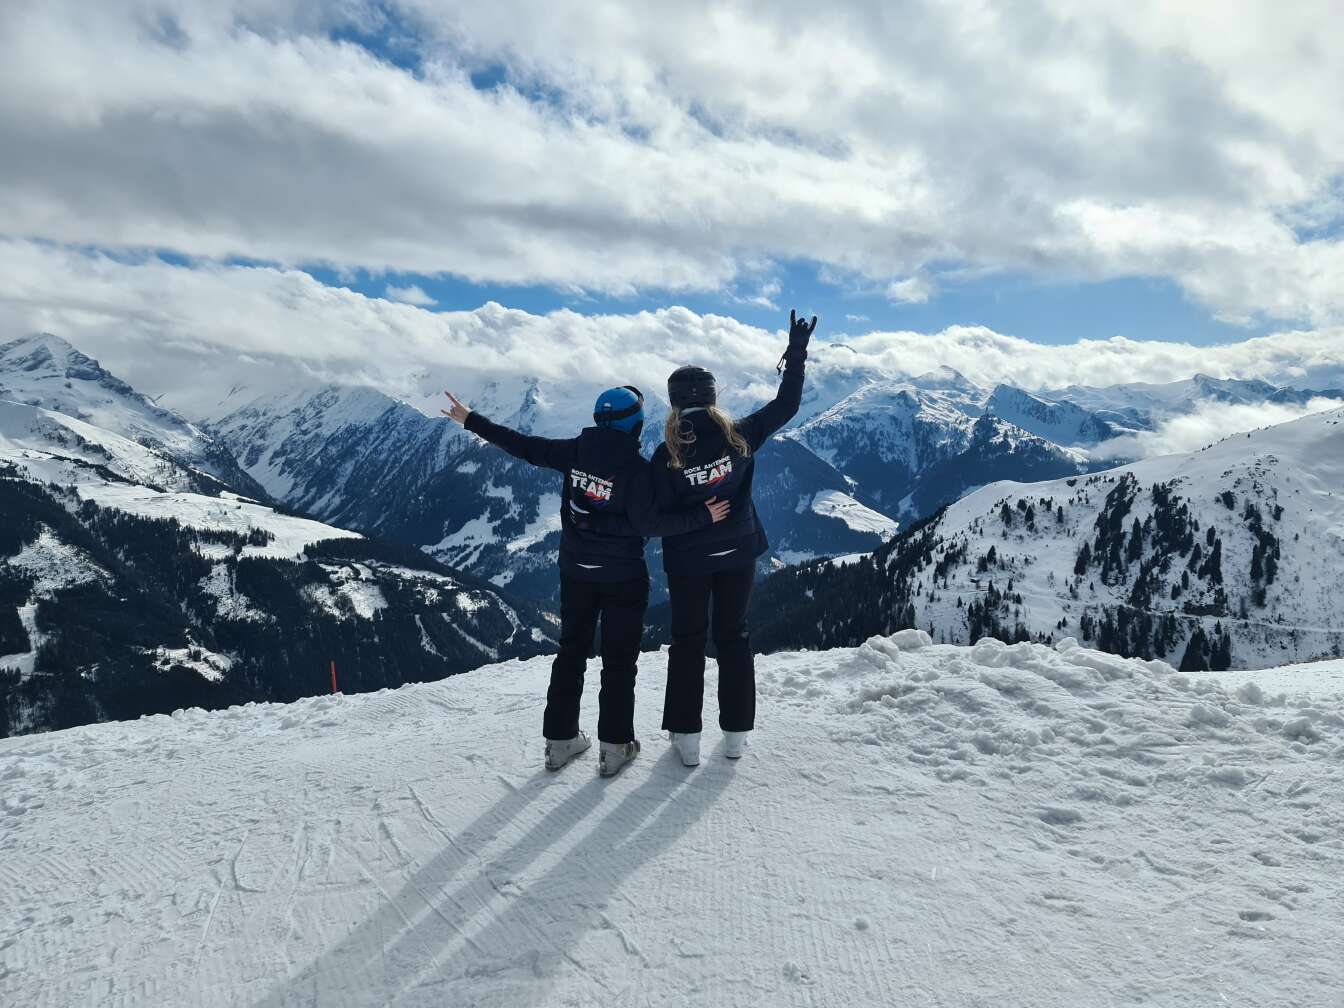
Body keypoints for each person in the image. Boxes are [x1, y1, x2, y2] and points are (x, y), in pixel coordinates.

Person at [441, 384, 730, 778]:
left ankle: (559, 744)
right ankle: (615, 748)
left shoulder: (573, 452)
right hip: (624, 578)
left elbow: (522, 445)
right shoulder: (639, 471)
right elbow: (650, 524)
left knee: (571, 653)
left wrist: (470, 420)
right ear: (635, 426)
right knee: (618, 662)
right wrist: (705, 517)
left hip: (576, 572)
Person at [650, 309, 816, 767]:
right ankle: (736, 737)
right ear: (712, 396)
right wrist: (797, 354)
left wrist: (696, 517)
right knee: (734, 638)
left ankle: (686, 741)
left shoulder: (665, 455)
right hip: (739, 551)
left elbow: (650, 521)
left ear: (674, 402)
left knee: (688, 640)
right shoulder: (739, 436)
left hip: (688, 561)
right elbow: (787, 405)